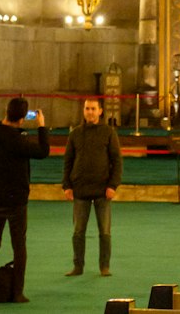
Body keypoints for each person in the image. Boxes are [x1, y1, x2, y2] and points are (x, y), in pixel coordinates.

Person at [0, 96, 50, 304]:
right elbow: (43, 151)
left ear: (6, 112)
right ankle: (18, 292)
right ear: (21, 119)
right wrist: (41, 126)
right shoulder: (19, 141)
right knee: (19, 247)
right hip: (16, 201)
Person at [62, 96, 122, 277]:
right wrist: (67, 186)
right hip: (80, 190)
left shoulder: (109, 133)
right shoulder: (75, 134)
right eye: (87, 108)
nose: (90, 112)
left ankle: (104, 267)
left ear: (100, 111)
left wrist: (113, 185)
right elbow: (68, 161)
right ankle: (78, 266)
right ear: (84, 110)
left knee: (104, 232)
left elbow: (117, 161)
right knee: (78, 232)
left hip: (103, 190)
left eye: (93, 109)